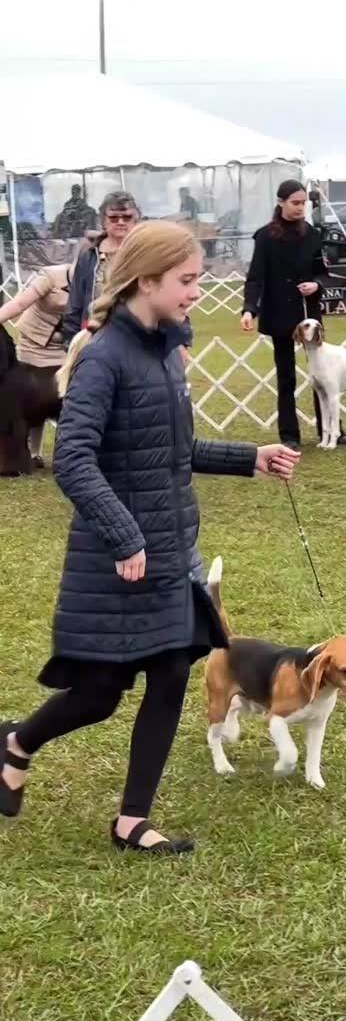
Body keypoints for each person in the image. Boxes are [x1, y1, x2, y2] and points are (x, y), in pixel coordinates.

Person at [0, 220, 299, 853]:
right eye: (187, 280)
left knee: (170, 675)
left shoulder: (164, 349)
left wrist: (252, 458)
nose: (197, 291)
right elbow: (74, 459)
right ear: (147, 280)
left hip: (169, 549)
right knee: (100, 694)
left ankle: (132, 820)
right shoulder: (106, 356)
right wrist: (124, 538)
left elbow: (176, 449)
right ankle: (16, 742)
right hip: (121, 557)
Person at [241, 179, 346, 450]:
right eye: (295, 203)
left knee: (324, 372)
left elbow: (322, 273)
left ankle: (332, 431)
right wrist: (249, 308)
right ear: (281, 202)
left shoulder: (312, 234)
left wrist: (316, 284)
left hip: (309, 314)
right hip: (279, 312)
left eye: (304, 202)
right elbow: (255, 277)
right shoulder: (265, 237)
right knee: (286, 377)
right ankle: (289, 436)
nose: (300, 208)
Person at [0, 263, 72, 466]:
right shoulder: (52, 276)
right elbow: (20, 303)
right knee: (28, 402)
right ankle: (33, 455)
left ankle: (67, 454)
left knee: (57, 398)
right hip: (35, 341)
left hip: (65, 342)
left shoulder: (95, 281)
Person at [62, 190, 141, 345]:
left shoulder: (147, 253)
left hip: (138, 337)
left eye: (127, 217)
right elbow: (75, 304)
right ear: (103, 221)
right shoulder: (88, 256)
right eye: (113, 218)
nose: (120, 222)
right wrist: (71, 342)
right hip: (94, 337)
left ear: (135, 220)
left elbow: (169, 298)